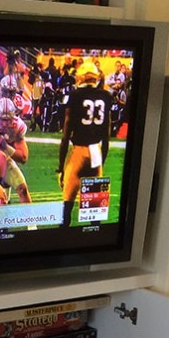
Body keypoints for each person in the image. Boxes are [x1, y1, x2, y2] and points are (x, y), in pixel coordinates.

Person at [57, 60, 112, 227]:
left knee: (67, 204)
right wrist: (101, 163)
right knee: (95, 210)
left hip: (79, 151)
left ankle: (62, 235)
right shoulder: (105, 96)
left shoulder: (75, 96)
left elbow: (66, 136)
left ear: (81, 76)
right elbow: (107, 136)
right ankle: (94, 237)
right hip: (96, 150)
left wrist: (61, 168)